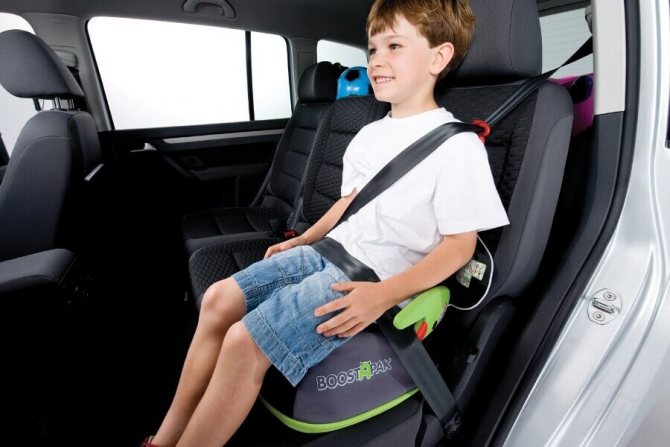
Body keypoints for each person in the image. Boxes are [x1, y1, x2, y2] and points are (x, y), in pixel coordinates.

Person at [143, 0, 509, 445]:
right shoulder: (371, 133)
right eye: (373, 49)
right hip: (326, 253)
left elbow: (459, 247)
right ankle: (164, 437)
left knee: (244, 341)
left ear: (439, 57)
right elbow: (349, 204)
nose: (377, 60)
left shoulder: (457, 147)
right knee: (219, 299)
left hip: (372, 280)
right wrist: (304, 240)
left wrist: (383, 296)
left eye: (394, 46)